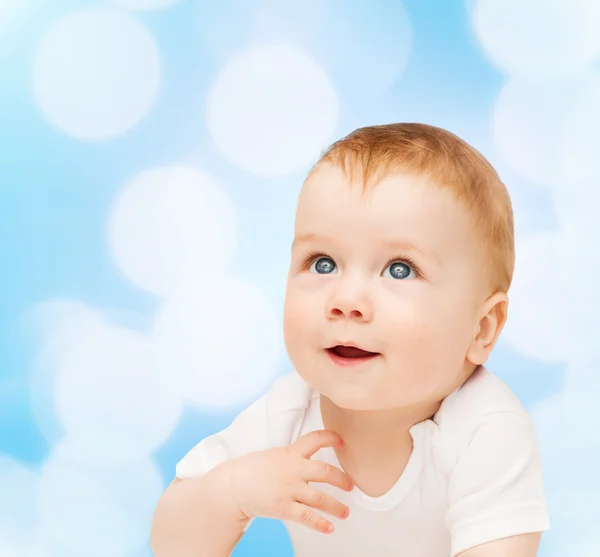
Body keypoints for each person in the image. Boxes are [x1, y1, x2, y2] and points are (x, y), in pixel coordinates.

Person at [150, 123, 549, 557]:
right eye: (322, 264)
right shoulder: (289, 413)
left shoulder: (486, 431)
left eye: (400, 269)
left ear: (482, 328)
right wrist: (233, 492)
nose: (345, 300)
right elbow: (172, 545)